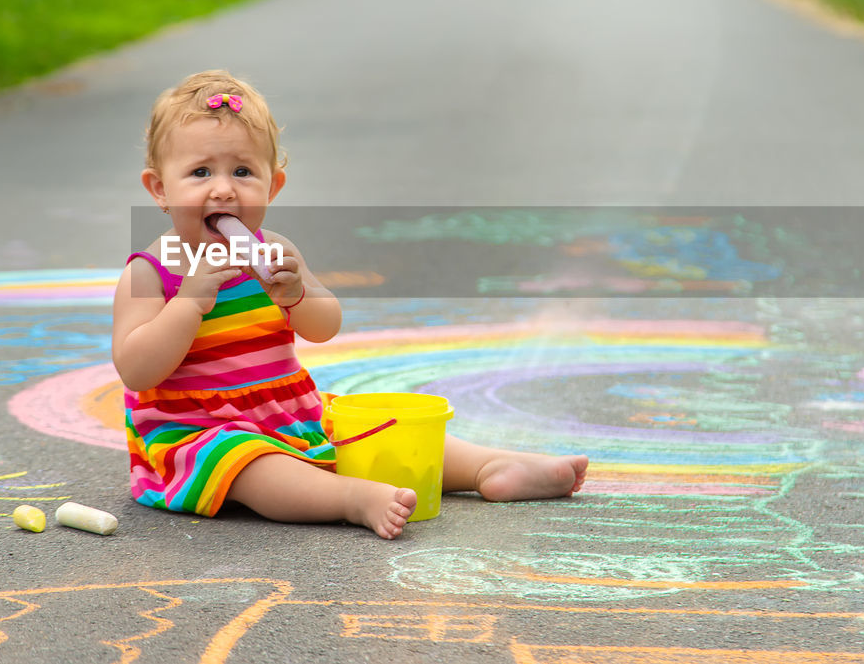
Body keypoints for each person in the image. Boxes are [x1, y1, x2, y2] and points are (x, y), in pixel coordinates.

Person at [111, 69, 588, 539]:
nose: (223, 188)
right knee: (253, 466)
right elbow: (136, 369)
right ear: (159, 189)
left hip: (288, 410)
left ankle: (489, 466)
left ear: (273, 186)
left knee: (375, 429)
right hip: (195, 431)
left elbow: (325, 326)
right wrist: (188, 304)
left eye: (242, 172)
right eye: (200, 173)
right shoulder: (152, 271)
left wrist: (297, 295)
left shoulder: (274, 251)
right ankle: (352, 498)